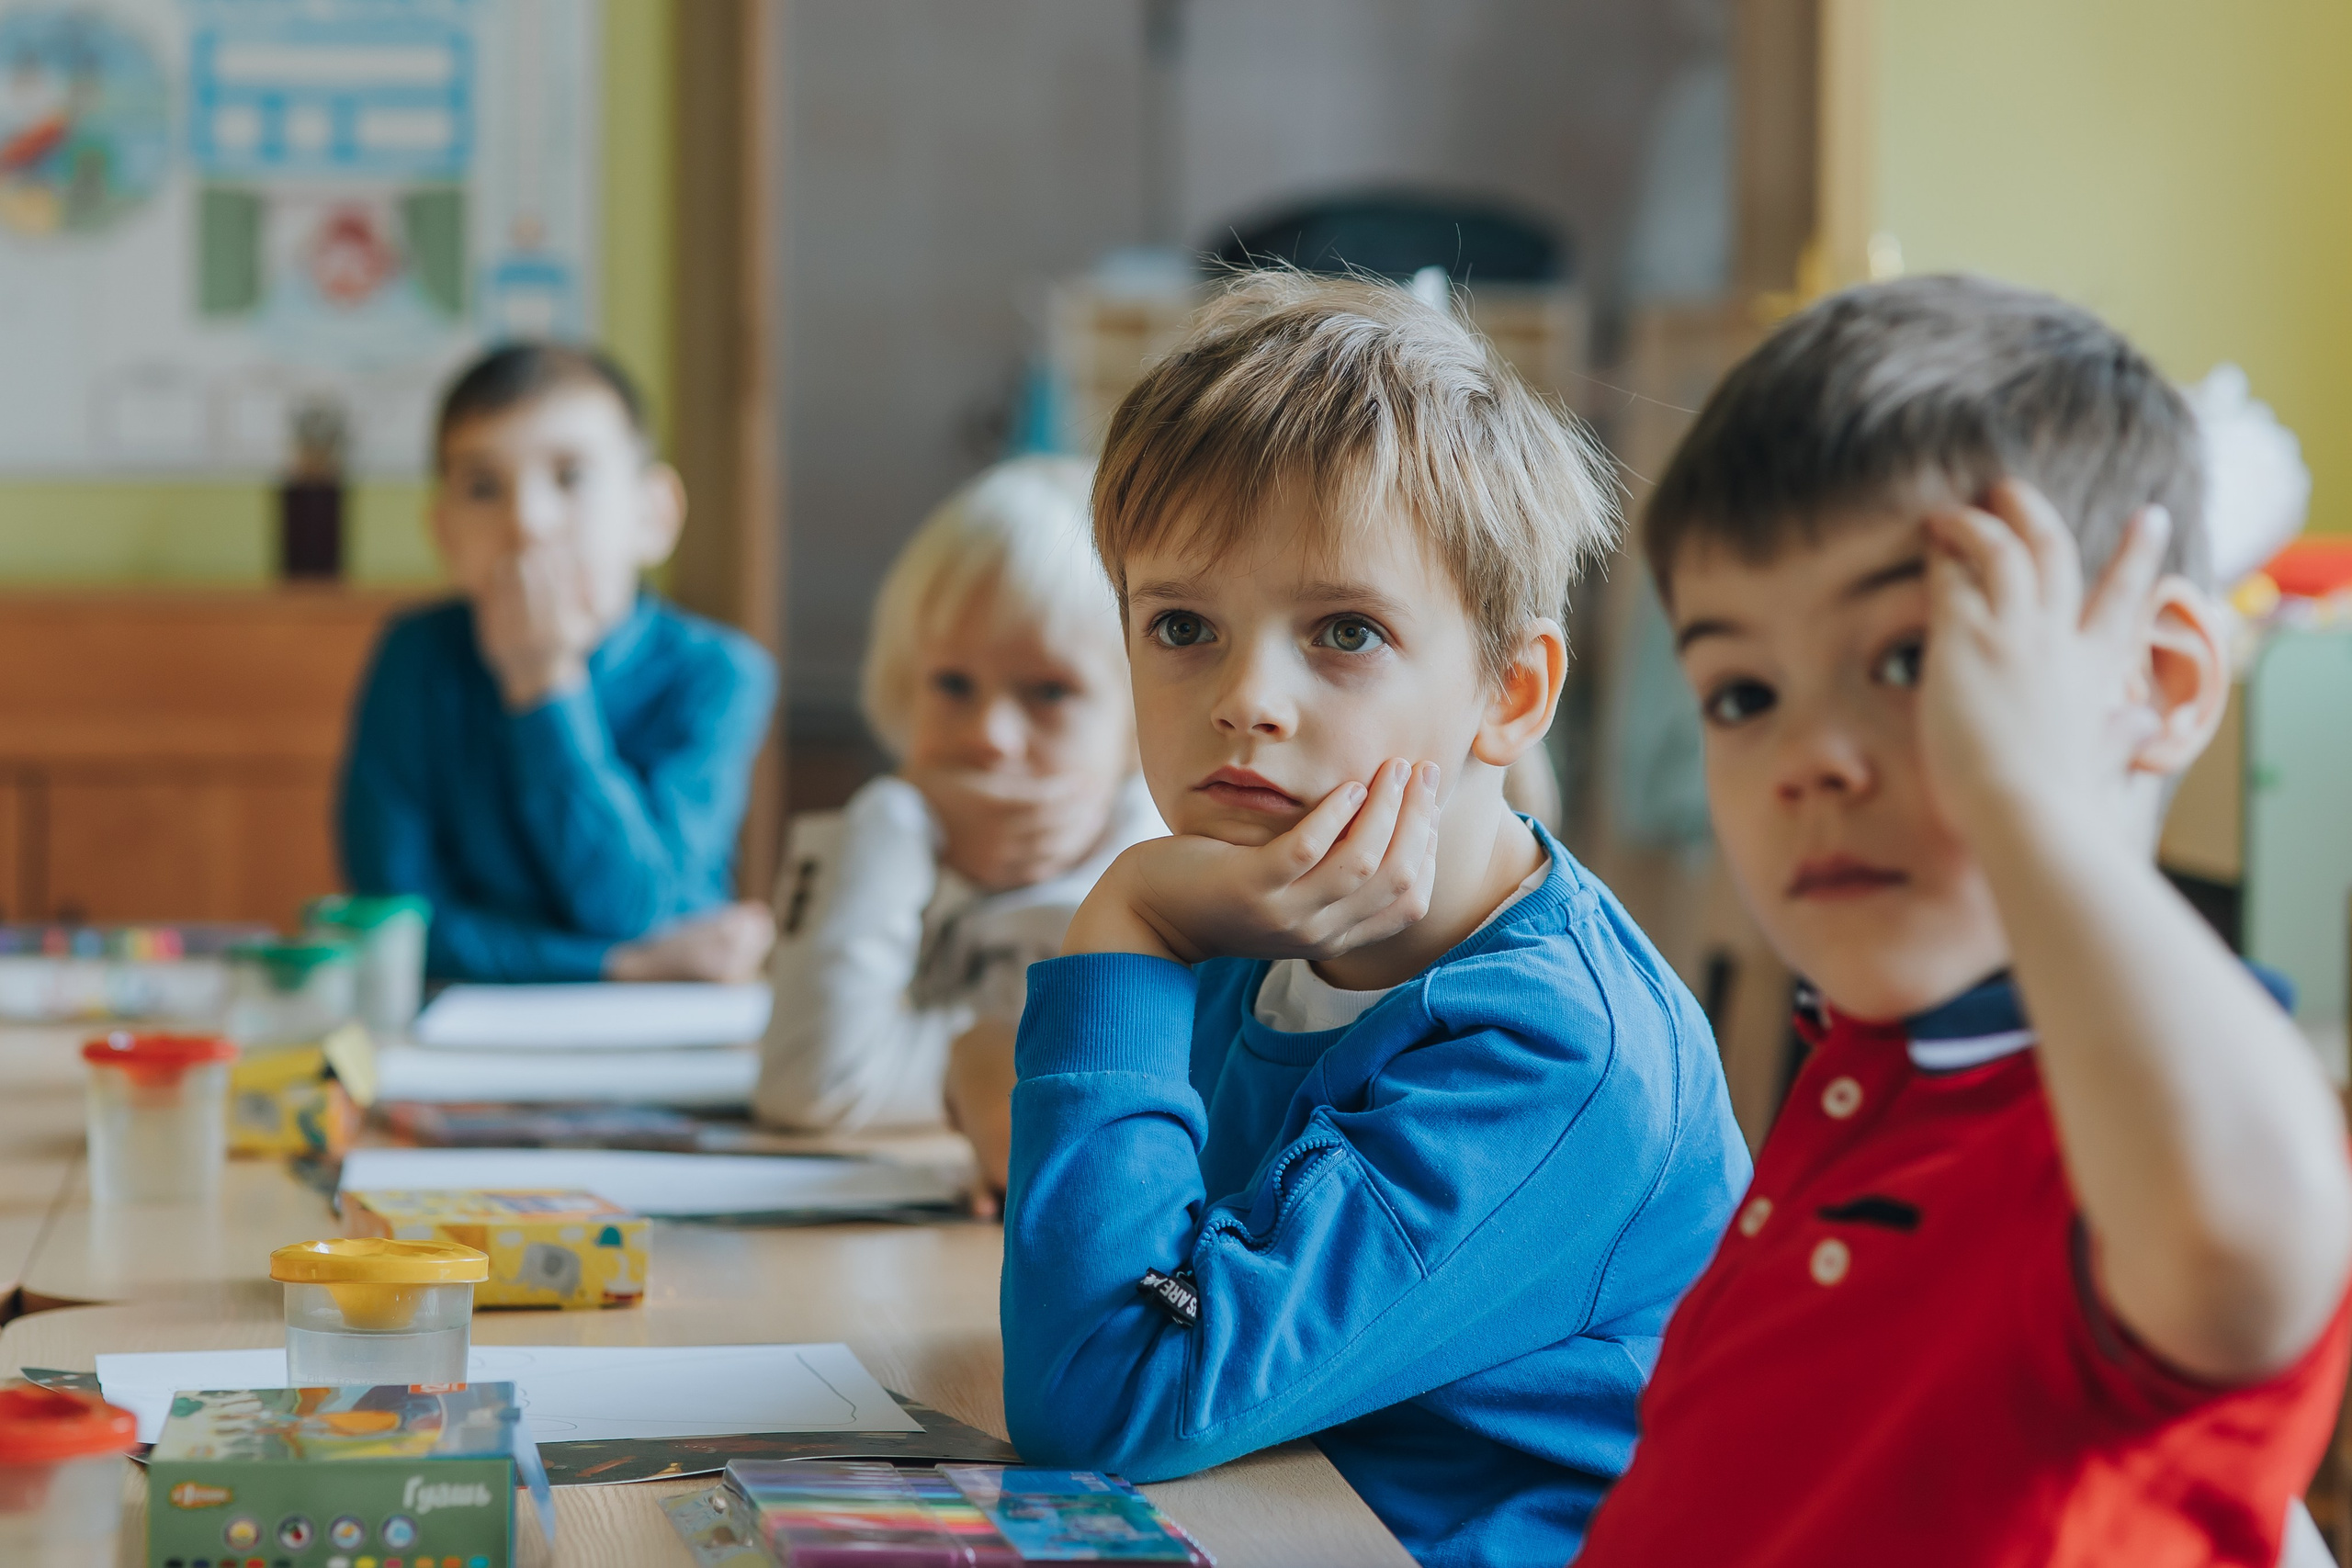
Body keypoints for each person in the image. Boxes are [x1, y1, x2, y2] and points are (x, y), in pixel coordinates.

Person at [1573, 276, 2352, 1566]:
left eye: (1911, 660)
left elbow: (2251, 1240)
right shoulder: (1862, 1079)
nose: (1806, 756)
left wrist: (2026, 797)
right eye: (1742, 691)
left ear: (2156, 683)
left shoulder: (2130, 1141)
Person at [997, 272, 1751, 1568]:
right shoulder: (1273, 923)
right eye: (1183, 624)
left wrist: (1124, 917)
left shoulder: (1554, 1051)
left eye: (1343, 629)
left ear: (1510, 691)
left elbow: (1112, 1392)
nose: (1248, 699)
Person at [753, 457, 1160, 1211]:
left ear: (1142, 714)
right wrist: (891, 821)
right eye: (951, 684)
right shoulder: (893, 849)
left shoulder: (1165, 891)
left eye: (1050, 692)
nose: (990, 737)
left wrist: (937, 1064)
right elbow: (810, 1082)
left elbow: (833, 1084)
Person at [341, 344, 778, 983]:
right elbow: (395, 924)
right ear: (445, 534)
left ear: (652, 515)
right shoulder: (414, 659)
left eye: (571, 477)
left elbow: (642, 910)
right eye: (484, 488)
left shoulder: (718, 674)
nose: (528, 523)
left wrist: (544, 683)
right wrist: (622, 965)